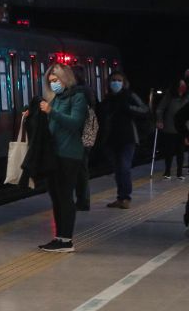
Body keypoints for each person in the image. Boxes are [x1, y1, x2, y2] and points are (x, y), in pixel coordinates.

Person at [31, 64, 87, 251]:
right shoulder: (55, 98)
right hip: (54, 155)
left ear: (66, 79)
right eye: (51, 81)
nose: (53, 84)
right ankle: (59, 237)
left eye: (56, 80)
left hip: (69, 154)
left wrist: (51, 112)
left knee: (64, 196)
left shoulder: (77, 97)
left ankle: (66, 240)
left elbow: (74, 123)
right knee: (55, 196)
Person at [99, 70, 148, 209]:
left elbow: (144, 110)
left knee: (124, 168)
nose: (116, 83)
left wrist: (128, 109)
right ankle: (121, 197)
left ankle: (126, 197)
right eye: (113, 80)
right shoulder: (108, 99)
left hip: (128, 138)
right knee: (118, 169)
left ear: (124, 82)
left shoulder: (129, 95)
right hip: (111, 139)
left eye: (119, 80)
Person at [69, 65, 93, 211]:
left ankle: (82, 201)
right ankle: (81, 200)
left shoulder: (79, 93)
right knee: (80, 169)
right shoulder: (87, 91)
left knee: (79, 170)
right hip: (82, 135)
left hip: (78, 136)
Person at [156, 80, 188, 180]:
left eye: (184, 85)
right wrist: (160, 120)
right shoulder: (170, 95)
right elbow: (160, 109)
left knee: (181, 151)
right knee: (169, 151)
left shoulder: (187, 96)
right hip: (170, 127)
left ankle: (179, 172)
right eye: (181, 85)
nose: (183, 86)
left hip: (183, 128)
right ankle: (167, 171)